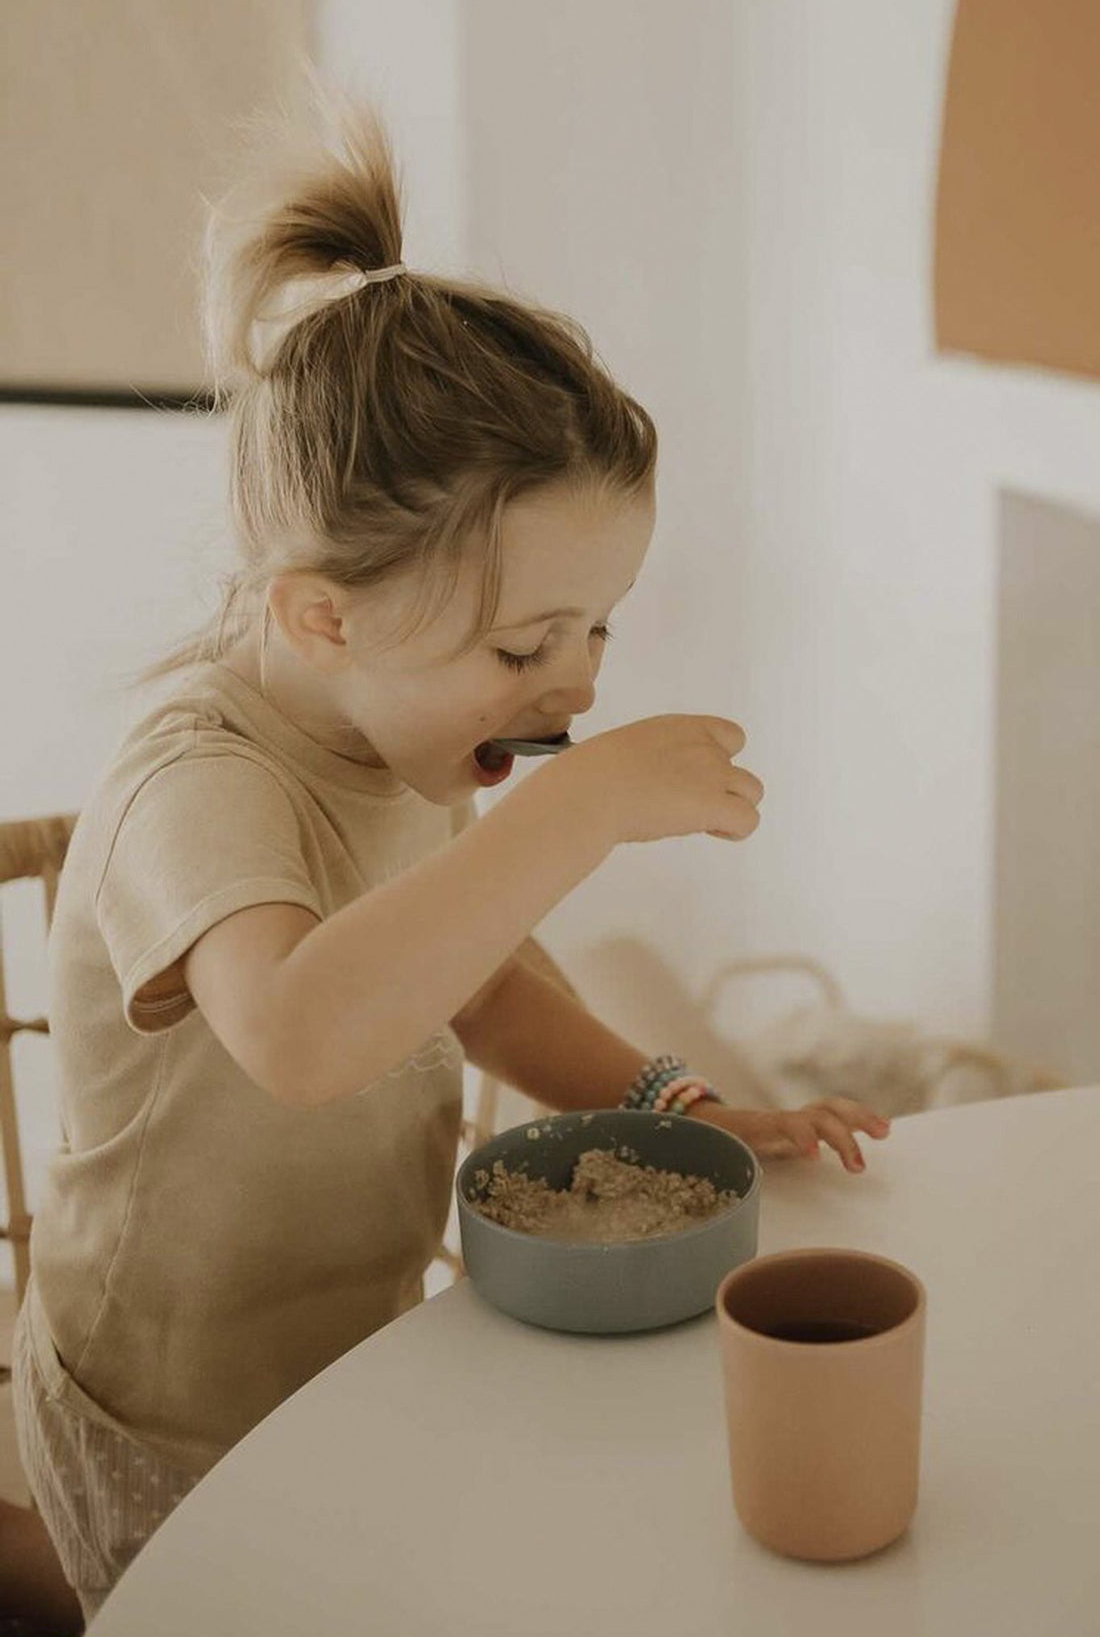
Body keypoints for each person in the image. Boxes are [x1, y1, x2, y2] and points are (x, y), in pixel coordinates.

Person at [12, 93, 890, 1623]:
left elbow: (479, 981)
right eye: (524, 642)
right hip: (175, 1416)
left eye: (598, 625)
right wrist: (579, 806)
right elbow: (301, 1031)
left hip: (353, 1356)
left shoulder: (400, 734)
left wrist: (676, 1105)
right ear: (320, 615)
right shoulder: (195, 783)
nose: (582, 686)